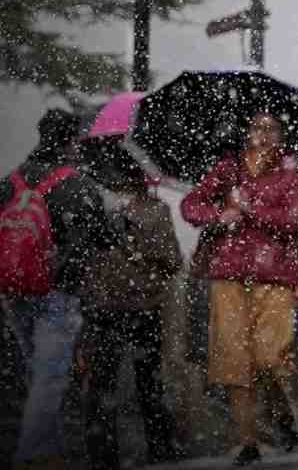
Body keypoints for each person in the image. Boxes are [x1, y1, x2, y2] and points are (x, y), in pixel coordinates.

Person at [180, 111, 298, 466]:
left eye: (271, 128)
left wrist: (250, 210)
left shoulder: (292, 178)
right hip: (228, 275)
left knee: (270, 356)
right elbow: (190, 205)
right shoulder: (226, 171)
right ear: (246, 133)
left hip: (275, 276)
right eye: (256, 127)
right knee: (234, 361)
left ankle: (281, 415)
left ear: (282, 135)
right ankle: (247, 440)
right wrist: (217, 215)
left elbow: (294, 221)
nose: (263, 135)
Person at [1, 109, 110, 470]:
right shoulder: (75, 183)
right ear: (71, 141)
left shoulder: (11, 180)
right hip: (56, 290)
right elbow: (105, 237)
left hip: (14, 288)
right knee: (50, 375)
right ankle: (30, 455)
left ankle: (49, 453)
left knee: (41, 372)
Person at [81, 165, 184, 468]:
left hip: (104, 307)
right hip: (144, 306)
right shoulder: (156, 210)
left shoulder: (96, 210)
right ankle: (160, 449)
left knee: (102, 383)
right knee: (149, 382)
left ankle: (102, 455)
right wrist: (147, 262)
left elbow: (85, 260)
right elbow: (173, 261)